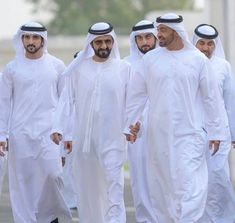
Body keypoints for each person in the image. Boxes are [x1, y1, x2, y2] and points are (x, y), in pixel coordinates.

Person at [124, 13, 227, 223]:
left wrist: (217, 132)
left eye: (162, 30)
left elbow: (212, 99)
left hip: (190, 135)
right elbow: (136, 96)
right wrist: (130, 125)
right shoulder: (150, 60)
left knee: (191, 187)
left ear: (175, 31)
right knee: (163, 189)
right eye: (158, 29)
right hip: (158, 136)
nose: (158, 34)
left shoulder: (197, 60)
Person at [51, 22, 131, 223]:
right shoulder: (78, 70)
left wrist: (132, 125)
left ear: (113, 42)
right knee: (88, 191)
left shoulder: (124, 69)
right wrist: (58, 128)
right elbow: (66, 101)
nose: (104, 46)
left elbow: (133, 102)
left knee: (114, 186)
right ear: (91, 44)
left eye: (107, 41)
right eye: (99, 42)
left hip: (113, 140)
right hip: (85, 143)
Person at [0, 21, 72, 223]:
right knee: (23, 183)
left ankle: (50, 217)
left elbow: (65, 103)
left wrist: (66, 132)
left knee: (52, 175)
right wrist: (2, 134)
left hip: (50, 133)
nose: (30, 42)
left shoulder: (57, 65)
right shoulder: (12, 68)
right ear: (22, 39)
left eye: (35, 37)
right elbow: (3, 103)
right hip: (20, 133)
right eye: (27, 37)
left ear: (43, 39)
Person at [192, 23, 235, 223]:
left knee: (219, 179)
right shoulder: (188, 65)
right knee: (197, 181)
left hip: (220, 133)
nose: (206, 48)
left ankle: (225, 219)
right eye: (201, 43)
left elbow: (231, 102)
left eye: (210, 44)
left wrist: (233, 133)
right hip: (192, 132)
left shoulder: (223, 67)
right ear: (195, 43)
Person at [124, 20, 157, 223]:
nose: (144, 42)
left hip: (163, 128)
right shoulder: (126, 65)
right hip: (135, 131)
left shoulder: (165, 61)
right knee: (140, 180)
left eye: (148, 37)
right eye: (140, 38)